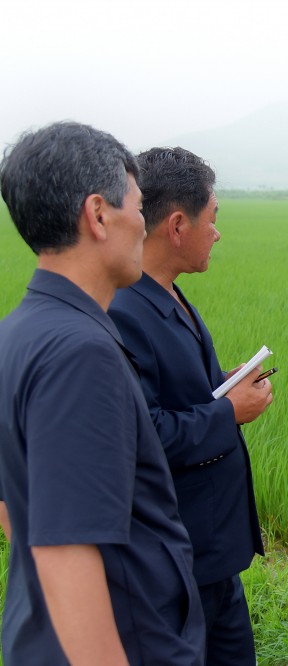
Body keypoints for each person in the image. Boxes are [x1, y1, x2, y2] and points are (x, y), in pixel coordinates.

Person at [0, 122, 204, 664]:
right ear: (97, 214)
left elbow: (13, 506)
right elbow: (65, 549)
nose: (144, 226)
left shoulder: (18, 333)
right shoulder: (78, 352)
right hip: (121, 640)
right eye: (138, 208)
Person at [108, 147, 272, 664]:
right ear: (178, 225)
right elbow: (143, 432)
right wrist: (229, 411)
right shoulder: (126, 312)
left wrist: (219, 384)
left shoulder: (170, 293)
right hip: (175, 556)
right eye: (213, 219)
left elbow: (173, 392)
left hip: (214, 550)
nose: (217, 233)